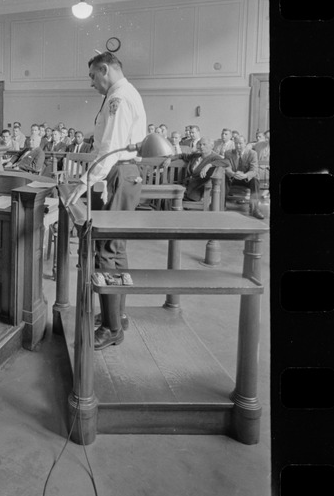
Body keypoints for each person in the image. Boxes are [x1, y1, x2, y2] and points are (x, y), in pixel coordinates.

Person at [67, 52, 146, 351]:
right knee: (116, 250)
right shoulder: (124, 92)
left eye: (92, 76)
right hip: (123, 175)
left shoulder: (119, 98)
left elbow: (110, 149)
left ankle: (112, 328)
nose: (91, 83)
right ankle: (118, 314)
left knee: (105, 251)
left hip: (116, 174)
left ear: (105, 69)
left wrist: (84, 183)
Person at [165, 136, 225, 201]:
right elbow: (182, 155)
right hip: (186, 185)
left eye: (204, 144)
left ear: (212, 146)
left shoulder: (214, 157)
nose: (201, 146)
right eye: (200, 144)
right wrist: (170, 158)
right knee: (164, 190)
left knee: (168, 195)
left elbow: (225, 162)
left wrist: (209, 165)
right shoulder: (196, 156)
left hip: (196, 190)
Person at [224, 135, 263, 218]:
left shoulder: (252, 153)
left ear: (245, 143)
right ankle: (221, 205)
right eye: (236, 143)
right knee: (224, 177)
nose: (238, 146)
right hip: (233, 178)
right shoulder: (228, 153)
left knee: (255, 179)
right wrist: (233, 174)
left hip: (246, 179)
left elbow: (254, 170)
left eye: (240, 143)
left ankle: (255, 209)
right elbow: (227, 168)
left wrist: (245, 175)